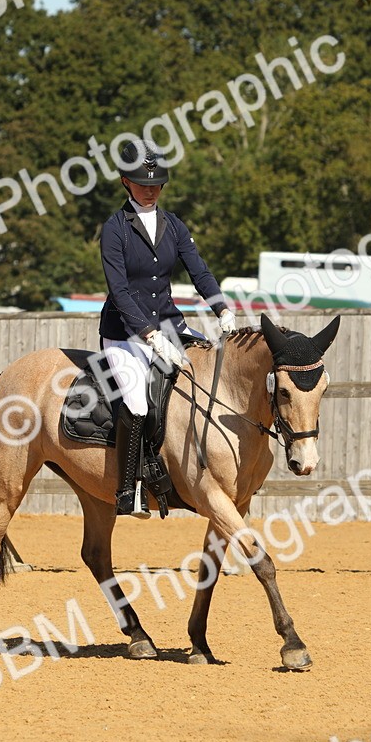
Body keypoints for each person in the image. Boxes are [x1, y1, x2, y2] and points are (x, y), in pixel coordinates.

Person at [98, 140, 237, 518]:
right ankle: (130, 489)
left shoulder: (173, 224)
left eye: (156, 182)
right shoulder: (115, 229)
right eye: (142, 183)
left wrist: (223, 308)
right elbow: (120, 291)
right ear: (126, 182)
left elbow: (199, 270)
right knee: (137, 400)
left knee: (205, 377)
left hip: (170, 323)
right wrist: (150, 335)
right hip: (126, 332)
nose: (150, 189)